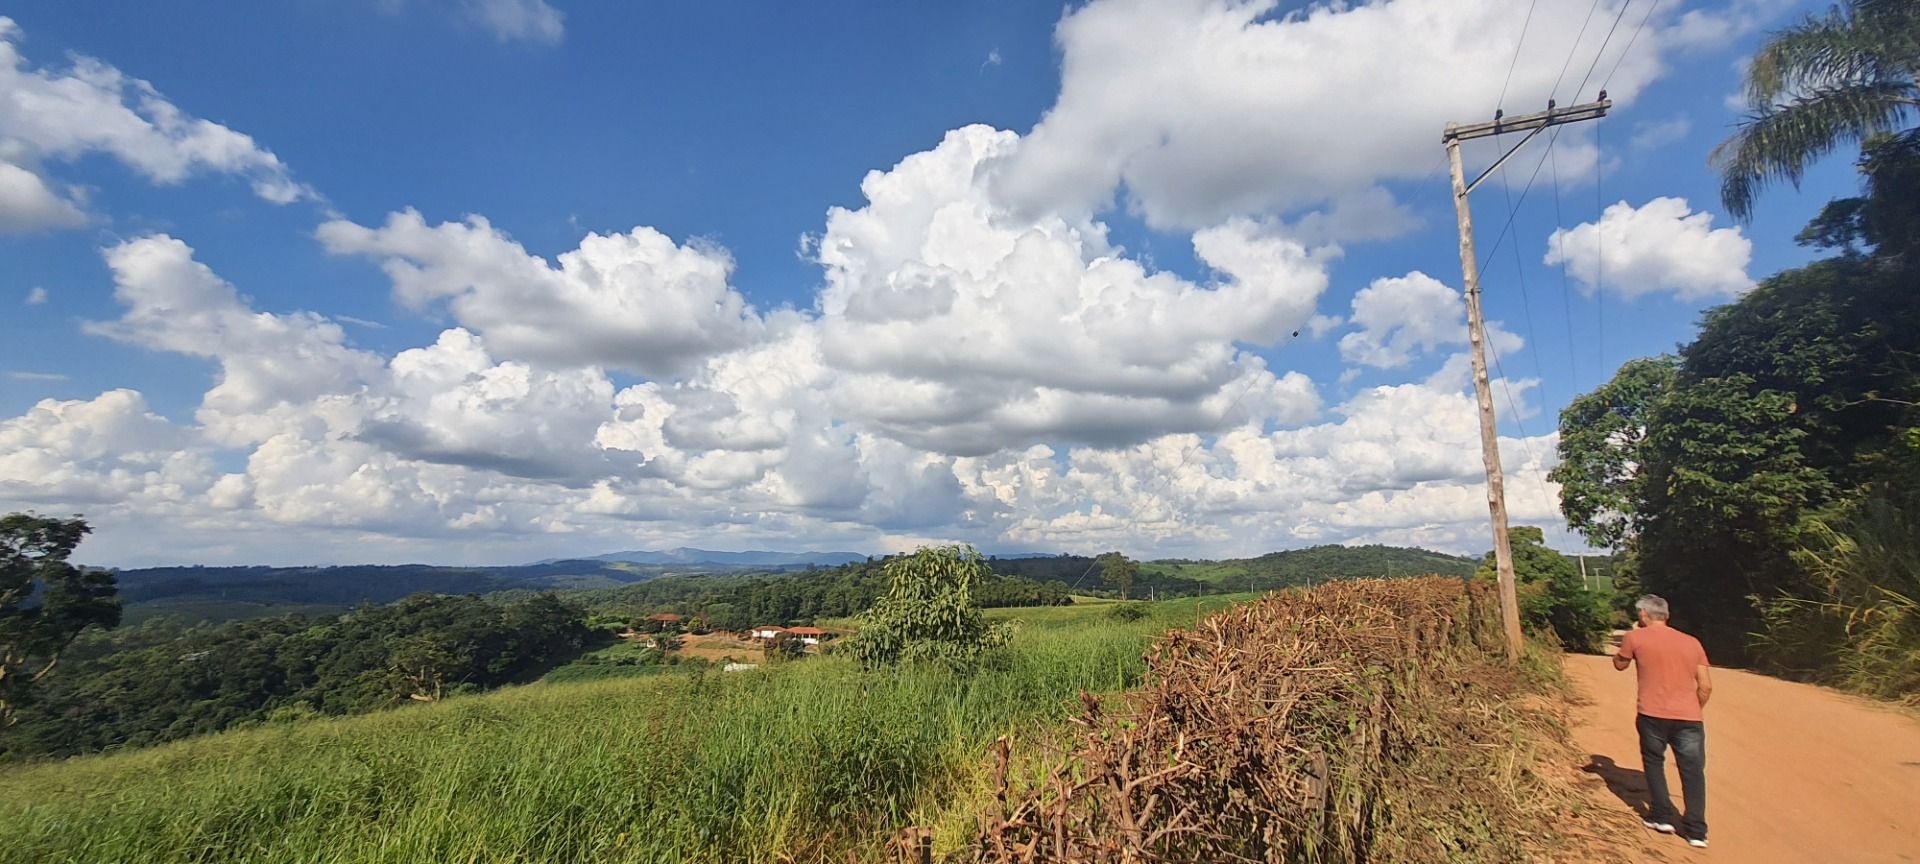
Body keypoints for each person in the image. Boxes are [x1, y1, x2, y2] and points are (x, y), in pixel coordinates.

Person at [1613, 594, 1713, 848]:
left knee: (1654, 763)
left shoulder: (1635, 637)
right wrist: (1693, 708)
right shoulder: (1692, 642)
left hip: (1652, 714)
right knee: (1693, 771)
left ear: (1643, 615)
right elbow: (1705, 686)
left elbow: (1619, 665)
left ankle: (1661, 817)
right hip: (1689, 717)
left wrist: (1631, 637)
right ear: (1667, 616)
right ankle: (1696, 831)